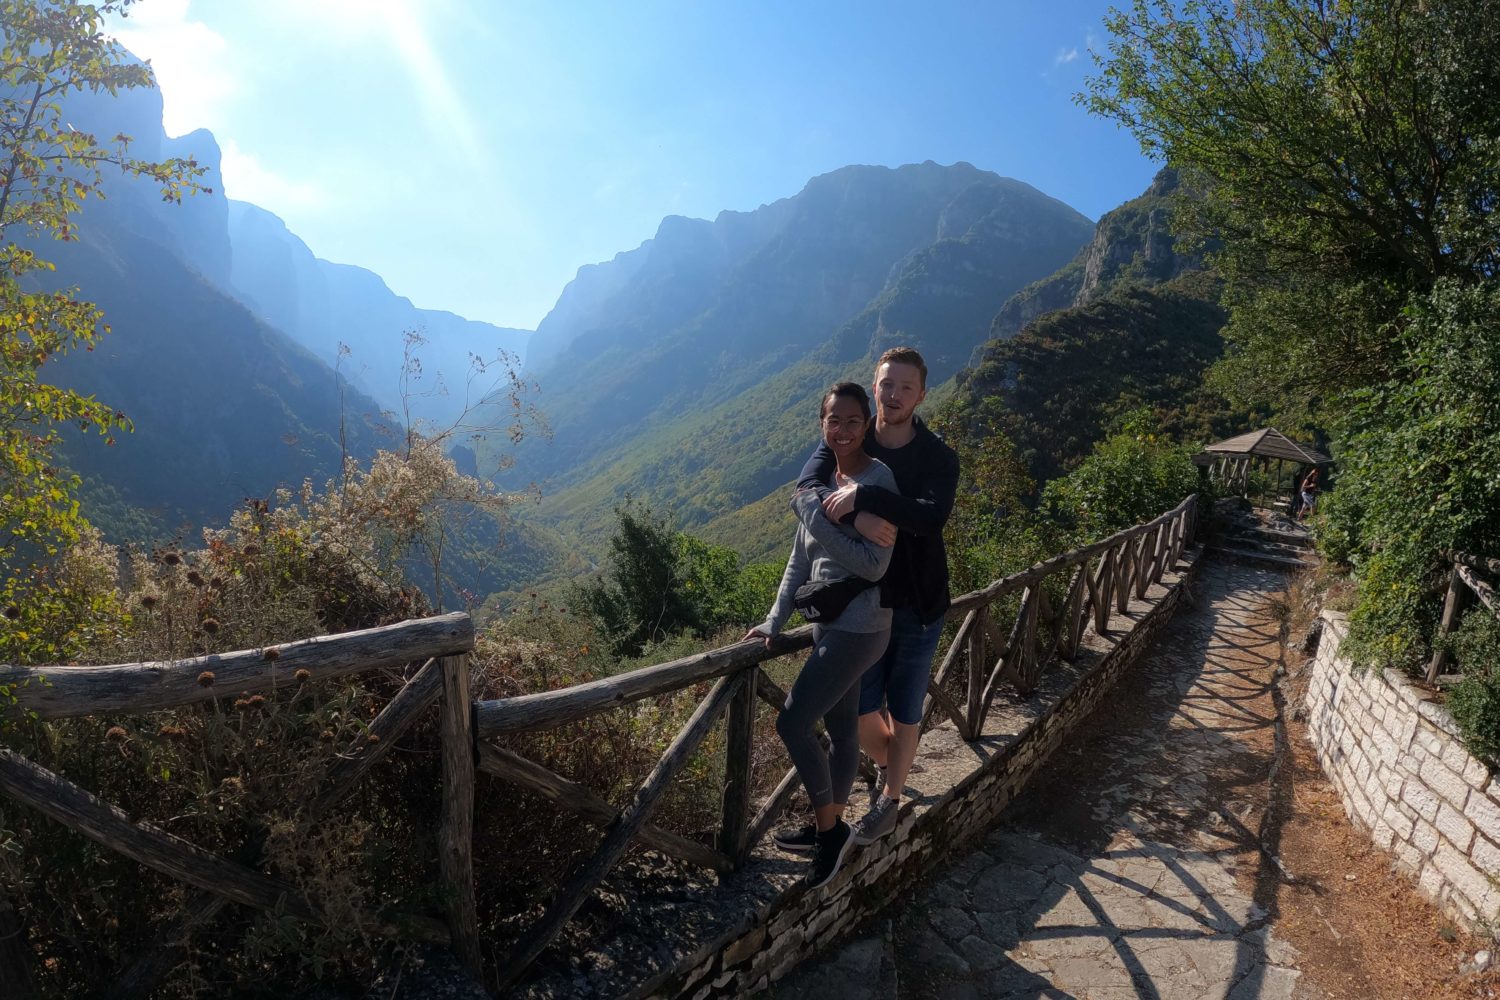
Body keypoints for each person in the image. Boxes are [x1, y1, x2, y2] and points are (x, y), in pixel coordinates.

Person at [791, 347, 959, 848]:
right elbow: (803, 488)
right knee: (861, 710)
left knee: (906, 707)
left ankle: (889, 800)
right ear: (875, 385)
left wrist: (865, 500)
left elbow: (929, 519)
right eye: (888, 384)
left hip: (918, 602)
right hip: (864, 608)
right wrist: (846, 512)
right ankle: (894, 768)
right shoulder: (850, 439)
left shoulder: (938, 458)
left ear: (922, 395)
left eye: (907, 387)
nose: (895, 394)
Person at [744, 382, 898, 888]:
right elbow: (799, 559)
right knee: (842, 730)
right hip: (828, 627)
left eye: (854, 421)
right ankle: (827, 824)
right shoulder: (819, 481)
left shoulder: (879, 482)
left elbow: (874, 566)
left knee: (791, 723)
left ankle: (829, 834)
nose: (844, 430)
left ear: (868, 422)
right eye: (834, 421)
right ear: (822, 425)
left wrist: (816, 513)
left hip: (861, 628)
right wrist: (774, 620)